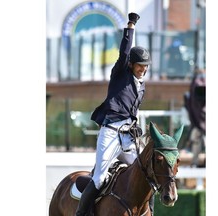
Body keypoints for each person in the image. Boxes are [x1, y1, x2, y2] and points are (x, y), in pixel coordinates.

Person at [75, 12, 153, 216]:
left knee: (145, 172)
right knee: (100, 178)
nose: (143, 70)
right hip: (110, 133)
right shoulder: (120, 74)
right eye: (139, 66)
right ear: (130, 65)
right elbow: (125, 51)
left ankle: (149, 212)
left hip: (127, 136)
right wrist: (131, 26)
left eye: (145, 67)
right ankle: (81, 213)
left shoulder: (141, 85)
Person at [184, 68, 206, 167]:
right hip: (198, 122)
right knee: (197, 141)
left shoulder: (196, 85)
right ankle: (195, 163)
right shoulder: (197, 85)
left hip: (199, 122)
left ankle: (195, 162)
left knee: (199, 140)